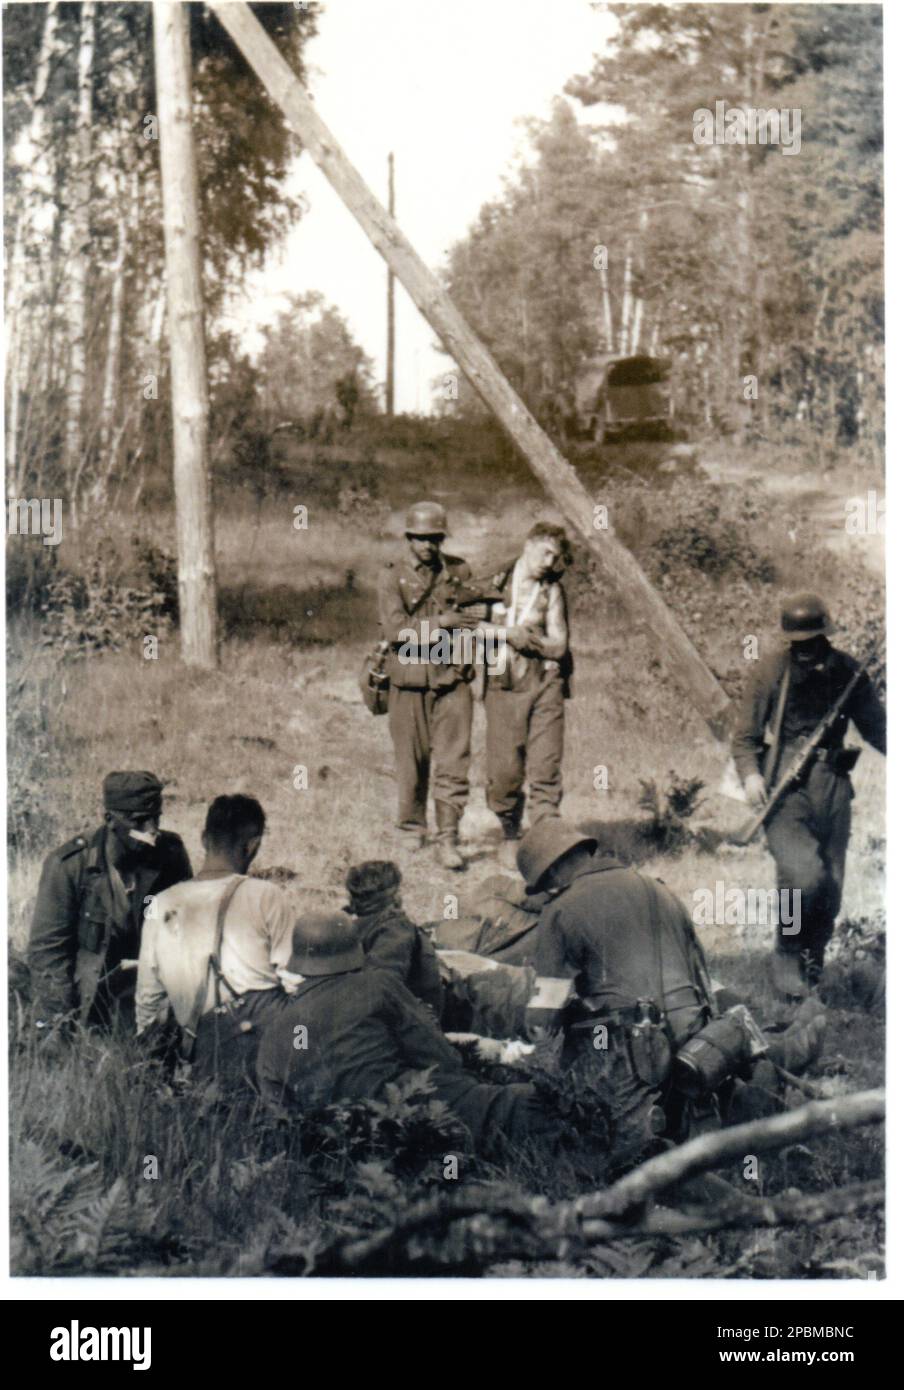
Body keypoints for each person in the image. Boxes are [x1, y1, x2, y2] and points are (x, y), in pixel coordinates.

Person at [516, 820, 825, 1149]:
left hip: (632, 1060)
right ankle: (745, 1105)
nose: (548, 890)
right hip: (702, 1045)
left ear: (554, 871)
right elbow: (702, 979)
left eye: (546, 883)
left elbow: (543, 1020)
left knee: (585, 1118)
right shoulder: (658, 888)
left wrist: (522, 1044)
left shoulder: (561, 909)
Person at [256, 911, 562, 1156]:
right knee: (535, 1102)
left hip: (346, 1145)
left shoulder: (274, 1031)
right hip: (414, 1114)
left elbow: (282, 1116)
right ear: (354, 951)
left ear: (300, 961)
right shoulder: (377, 985)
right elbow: (440, 1057)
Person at [731, 594, 886, 996]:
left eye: (814, 642)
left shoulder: (848, 672)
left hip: (833, 783)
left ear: (825, 637)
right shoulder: (770, 672)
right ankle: (787, 951)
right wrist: (750, 777)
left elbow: (878, 729)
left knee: (831, 885)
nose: (807, 652)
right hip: (784, 786)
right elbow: (745, 738)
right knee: (802, 876)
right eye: (799, 644)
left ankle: (812, 959)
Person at [135, 794, 294, 1084]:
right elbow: (293, 980)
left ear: (203, 839)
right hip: (265, 1054)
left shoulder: (159, 904)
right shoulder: (267, 896)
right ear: (253, 845)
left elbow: (148, 1001)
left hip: (203, 1059)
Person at [28, 771, 191, 1032]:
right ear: (109, 820)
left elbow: (184, 932)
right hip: (88, 998)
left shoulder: (169, 855)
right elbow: (48, 951)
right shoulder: (69, 865)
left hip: (148, 991)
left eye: (155, 819)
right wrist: (60, 1024)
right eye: (139, 822)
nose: (152, 831)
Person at [377, 500, 481, 870]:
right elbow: (396, 633)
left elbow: (476, 621)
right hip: (409, 681)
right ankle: (411, 826)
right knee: (411, 762)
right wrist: (443, 623)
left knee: (454, 762)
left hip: (452, 680)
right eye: (421, 538)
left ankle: (447, 838)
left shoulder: (459, 571)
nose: (428, 545)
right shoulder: (392, 577)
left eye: (434, 538)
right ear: (408, 538)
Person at [480, 523, 572, 860]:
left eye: (555, 556)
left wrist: (531, 641)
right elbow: (465, 626)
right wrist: (506, 634)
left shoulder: (552, 590)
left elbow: (559, 645)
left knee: (546, 763)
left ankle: (548, 837)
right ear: (528, 543)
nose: (549, 561)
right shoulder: (495, 581)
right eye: (545, 551)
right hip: (502, 681)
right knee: (505, 769)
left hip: (545, 681)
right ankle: (509, 833)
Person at [344, 860, 443, 1015]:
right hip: (417, 1021)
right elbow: (383, 984)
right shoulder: (394, 926)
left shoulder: (346, 925)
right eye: (399, 889)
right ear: (394, 895)